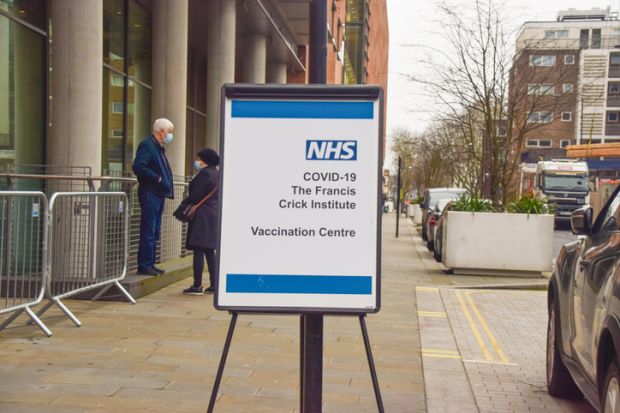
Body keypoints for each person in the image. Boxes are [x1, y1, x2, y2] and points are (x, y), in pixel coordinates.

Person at [132, 118, 175, 276]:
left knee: (154, 230)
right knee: (148, 229)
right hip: (150, 193)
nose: (170, 135)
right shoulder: (148, 145)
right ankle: (144, 264)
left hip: (158, 193)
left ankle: (150, 263)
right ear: (161, 131)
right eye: (169, 132)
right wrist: (157, 178)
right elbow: (138, 166)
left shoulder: (158, 148)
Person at [183, 148, 220, 295]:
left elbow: (195, 195)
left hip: (202, 215)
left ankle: (197, 285)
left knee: (198, 250)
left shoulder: (204, 174)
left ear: (204, 160)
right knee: (210, 251)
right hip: (213, 214)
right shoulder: (217, 174)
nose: (197, 161)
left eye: (199, 159)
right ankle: (214, 285)